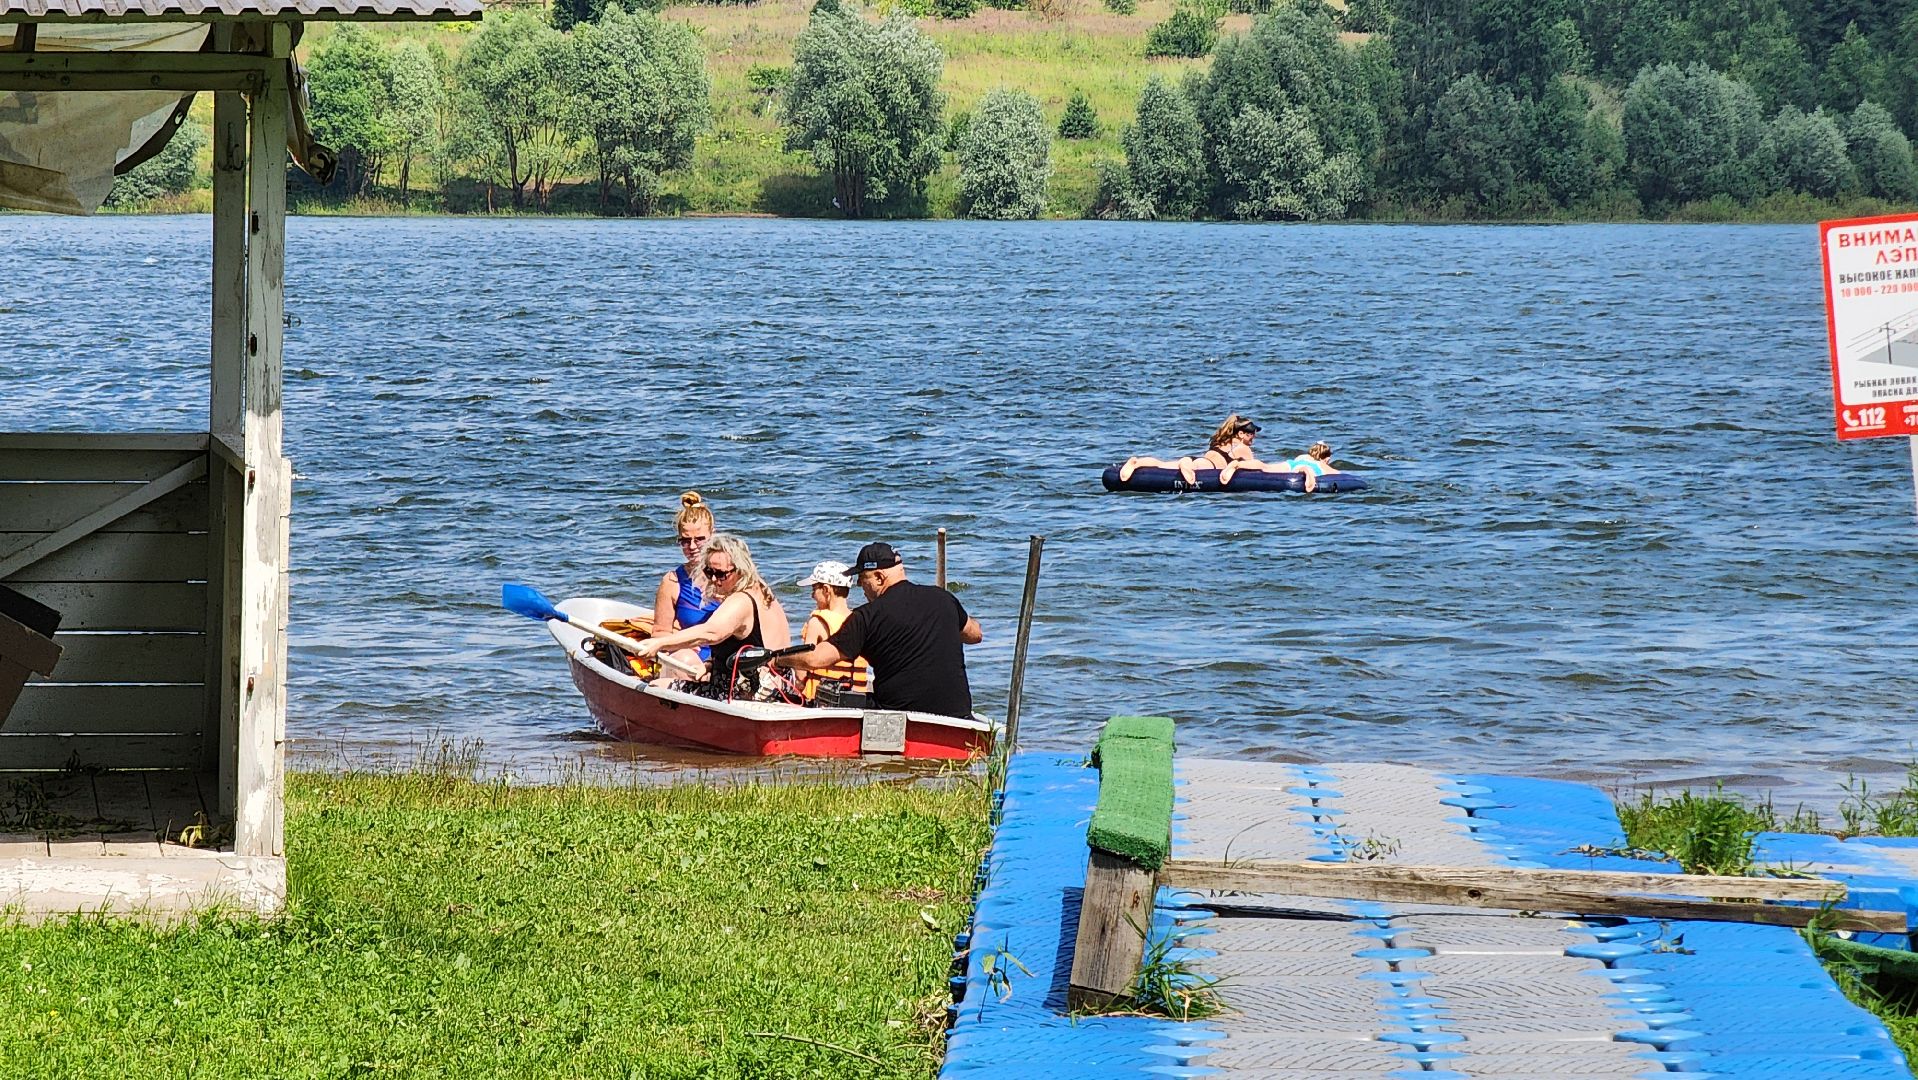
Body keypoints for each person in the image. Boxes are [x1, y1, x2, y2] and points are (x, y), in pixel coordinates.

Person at [777, 542, 982, 719]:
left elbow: (817, 659)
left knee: (839, 700)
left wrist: (777, 659)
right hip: (958, 714)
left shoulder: (867, 616)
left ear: (879, 577)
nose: (858, 584)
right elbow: (975, 635)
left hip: (900, 716)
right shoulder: (943, 599)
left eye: (862, 577)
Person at [634, 533, 791, 698]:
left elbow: (711, 632)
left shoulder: (741, 601)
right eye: (709, 572)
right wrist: (709, 665)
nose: (714, 580)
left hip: (753, 692)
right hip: (778, 686)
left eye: (721, 574)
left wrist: (660, 643)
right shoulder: (762, 591)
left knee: (659, 686)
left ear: (740, 570)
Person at [651, 491, 719, 661]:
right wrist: (680, 645)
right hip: (692, 659)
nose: (692, 546)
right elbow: (659, 633)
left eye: (700, 539)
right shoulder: (672, 582)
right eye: (685, 541)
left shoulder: (731, 575)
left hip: (729, 657)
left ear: (713, 535)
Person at [796, 561, 872, 708]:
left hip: (819, 703)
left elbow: (802, 672)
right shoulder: (859, 622)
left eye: (814, 589)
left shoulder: (817, 622)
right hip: (855, 701)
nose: (812, 595)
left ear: (826, 590)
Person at [1118, 415, 1262, 485]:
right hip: (1207, 466)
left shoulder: (1221, 441)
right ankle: (1185, 466)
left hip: (1195, 459)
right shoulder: (1242, 448)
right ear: (1241, 434)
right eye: (1251, 435)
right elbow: (1253, 469)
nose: (1253, 439)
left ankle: (1136, 462)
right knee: (1191, 467)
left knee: (1161, 464)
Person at [1219, 440, 1341, 492]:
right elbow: (1338, 474)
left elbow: (1295, 462)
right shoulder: (1320, 464)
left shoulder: (1302, 457)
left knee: (1264, 466)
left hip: (1291, 464)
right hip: (1307, 468)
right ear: (1327, 458)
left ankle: (1238, 464)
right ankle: (1308, 475)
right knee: (1304, 469)